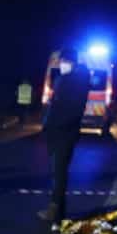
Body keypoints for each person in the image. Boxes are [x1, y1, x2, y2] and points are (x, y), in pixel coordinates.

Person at [38, 48, 90, 224]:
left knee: (59, 173)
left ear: (69, 61)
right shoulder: (70, 79)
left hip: (63, 133)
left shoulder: (74, 80)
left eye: (61, 61)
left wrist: (53, 125)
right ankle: (58, 211)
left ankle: (55, 211)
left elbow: (69, 109)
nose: (59, 64)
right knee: (58, 172)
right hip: (59, 132)